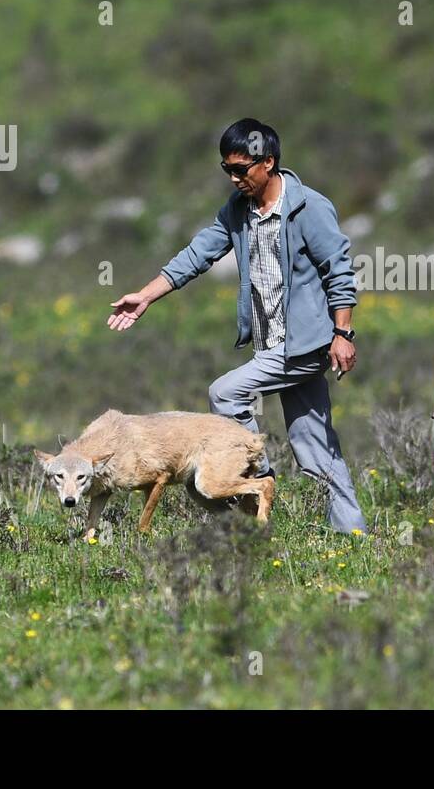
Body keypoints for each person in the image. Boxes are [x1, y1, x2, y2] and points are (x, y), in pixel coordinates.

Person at [106, 118, 368, 533]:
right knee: (315, 448)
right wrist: (145, 296)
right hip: (271, 345)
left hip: (306, 343)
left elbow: (339, 270)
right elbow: (198, 254)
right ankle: (353, 534)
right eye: (226, 169)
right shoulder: (238, 210)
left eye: (240, 169)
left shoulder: (309, 208)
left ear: (268, 163)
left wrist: (343, 334)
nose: (233, 178)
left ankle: (253, 482)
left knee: (224, 392)